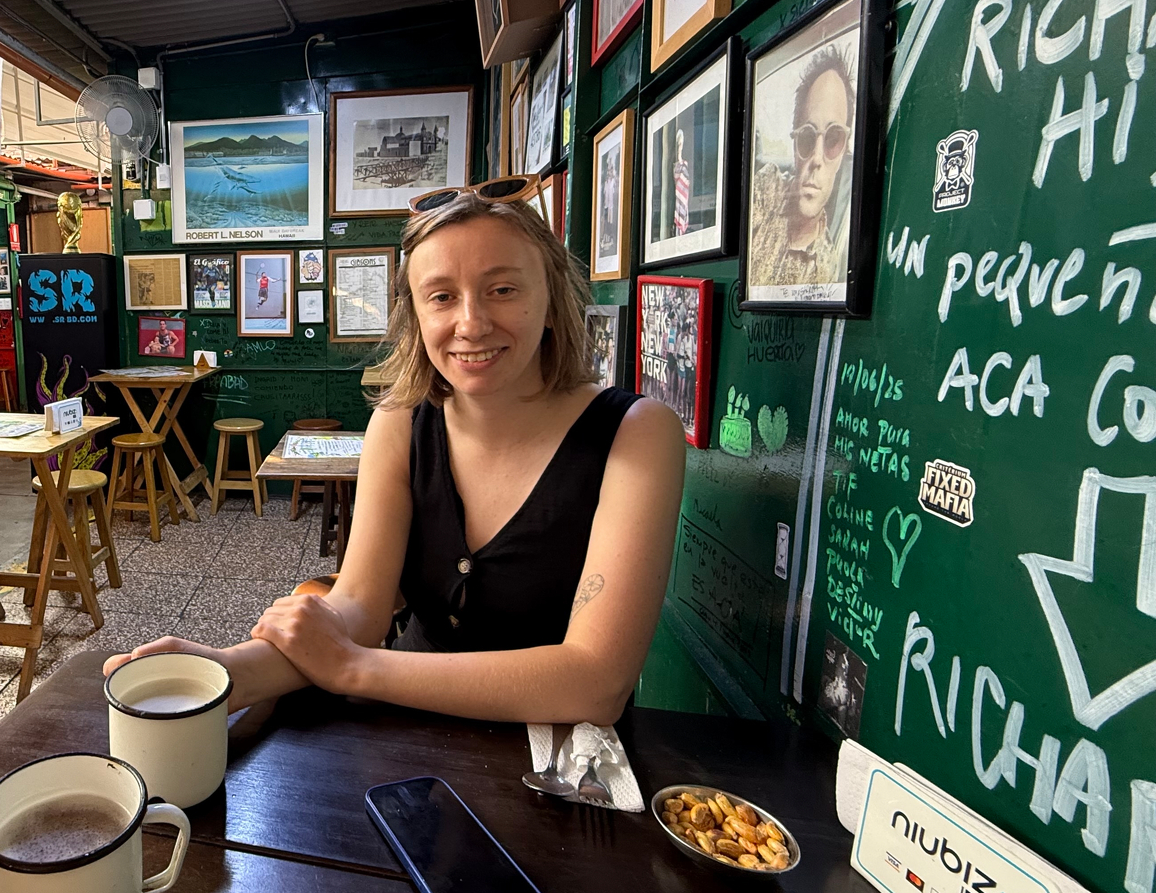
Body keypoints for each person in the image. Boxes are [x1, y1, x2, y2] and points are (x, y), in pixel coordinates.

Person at [105, 180, 686, 725]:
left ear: (551, 297)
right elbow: (360, 605)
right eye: (442, 297)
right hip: (406, 744)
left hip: (562, 775)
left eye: (502, 289)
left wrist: (357, 668)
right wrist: (220, 672)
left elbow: (595, 683)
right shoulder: (400, 421)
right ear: (416, 315)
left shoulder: (636, 433)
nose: (472, 322)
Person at [749, 47, 855, 291]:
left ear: (844, 150)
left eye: (832, 139)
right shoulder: (767, 188)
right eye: (807, 137)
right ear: (795, 142)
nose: (817, 159)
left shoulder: (827, 265)